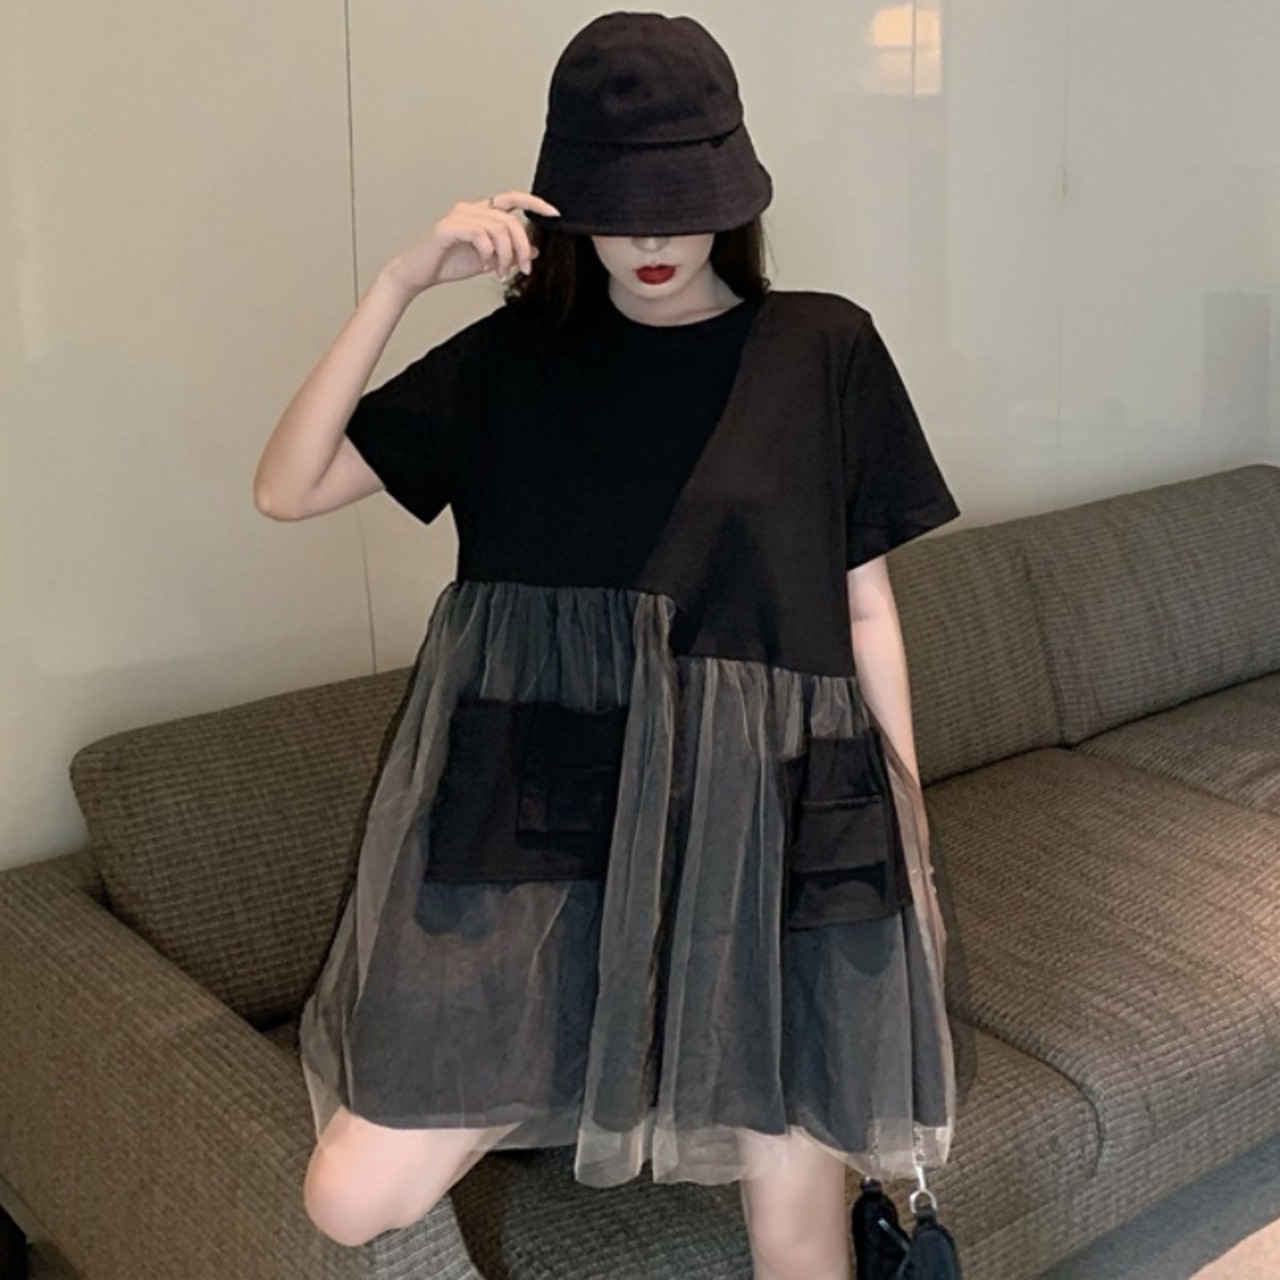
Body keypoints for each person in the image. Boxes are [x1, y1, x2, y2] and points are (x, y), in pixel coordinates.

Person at [253, 12, 974, 1280]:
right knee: (350, 1194)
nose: (650, 238)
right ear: (565, 204)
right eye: (619, 207)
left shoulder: (821, 348)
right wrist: (399, 280)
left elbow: (863, 608)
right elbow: (287, 486)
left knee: (796, 1235)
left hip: (780, 816)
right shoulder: (509, 364)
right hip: (546, 815)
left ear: (729, 196)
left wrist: (904, 834)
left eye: (678, 204)